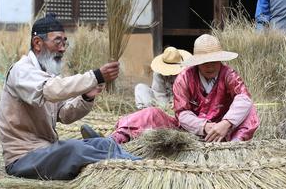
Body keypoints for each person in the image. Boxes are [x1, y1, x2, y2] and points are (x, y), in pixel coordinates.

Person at [0, 13, 139, 180]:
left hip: (47, 151)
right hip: (24, 158)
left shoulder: (47, 73)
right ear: (37, 43)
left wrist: (86, 97)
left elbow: (64, 115)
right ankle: (132, 167)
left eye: (65, 42)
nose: (63, 48)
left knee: (105, 143)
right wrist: (96, 76)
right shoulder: (21, 71)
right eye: (57, 41)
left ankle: (137, 164)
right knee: (74, 149)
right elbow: (52, 90)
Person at [106, 34, 259, 144]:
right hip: (189, 130)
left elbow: (243, 98)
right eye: (205, 61)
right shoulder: (185, 77)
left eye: (214, 61)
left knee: (250, 110)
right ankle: (117, 138)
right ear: (197, 62)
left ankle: (235, 145)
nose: (210, 66)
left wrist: (226, 123)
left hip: (224, 130)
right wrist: (204, 126)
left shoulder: (228, 74)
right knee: (152, 114)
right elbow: (182, 114)